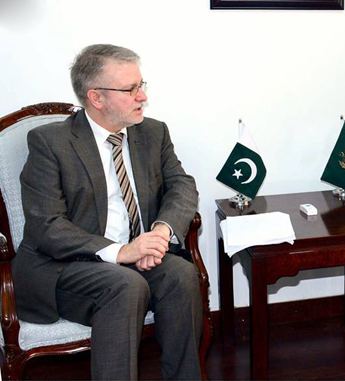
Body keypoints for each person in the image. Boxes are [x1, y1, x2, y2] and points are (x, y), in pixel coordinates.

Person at [11, 44, 203, 380]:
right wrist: (123, 252)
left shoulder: (152, 133)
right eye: (131, 89)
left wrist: (159, 234)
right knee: (125, 284)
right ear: (96, 98)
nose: (142, 96)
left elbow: (182, 186)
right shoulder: (49, 142)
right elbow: (46, 227)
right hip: (65, 267)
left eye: (142, 85)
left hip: (135, 257)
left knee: (180, 275)